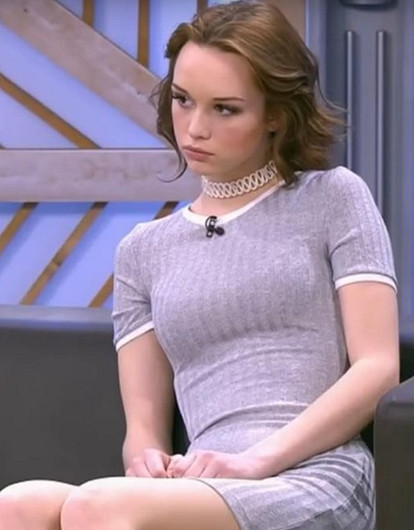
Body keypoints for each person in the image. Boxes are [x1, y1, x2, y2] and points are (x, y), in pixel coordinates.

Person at [0, 1, 399, 529]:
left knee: (97, 507)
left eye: (225, 109)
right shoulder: (143, 250)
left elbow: (379, 368)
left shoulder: (332, 197)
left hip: (315, 474)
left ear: (276, 115)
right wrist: (146, 461)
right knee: (17, 504)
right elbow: (143, 431)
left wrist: (258, 461)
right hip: (203, 478)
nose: (194, 128)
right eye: (183, 100)